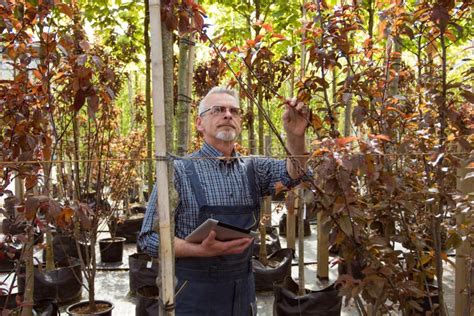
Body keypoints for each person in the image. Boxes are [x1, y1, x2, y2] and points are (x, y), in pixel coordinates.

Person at [138, 86, 309, 315]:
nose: (228, 114)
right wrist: (198, 250)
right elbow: (148, 238)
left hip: (242, 292)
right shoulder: (177, 171)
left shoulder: (254, 168)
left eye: (234, 111)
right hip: (192, 294)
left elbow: (294, 174)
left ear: (240, 122)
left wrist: (295, 136)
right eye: (218, 110)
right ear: (199, 123)